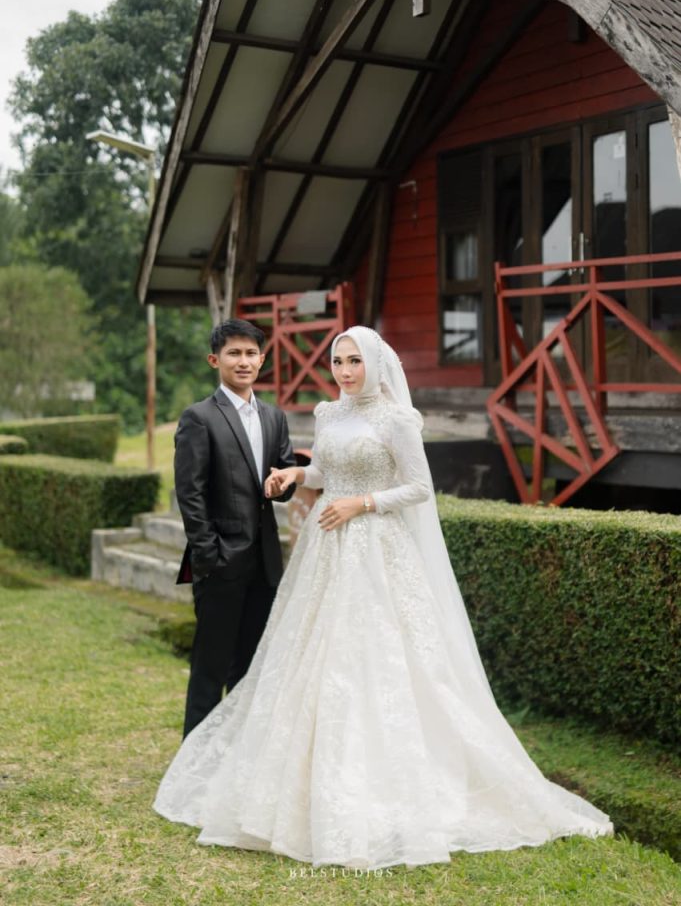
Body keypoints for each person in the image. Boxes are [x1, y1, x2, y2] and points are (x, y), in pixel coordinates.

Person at [155, 325, 612, 868]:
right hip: (326, 551)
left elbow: (418, 488)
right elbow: (326, 471)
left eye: (355, 361)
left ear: (376, 363)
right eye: (338, 361)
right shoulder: (329, 414)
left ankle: (387, 779)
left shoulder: (398, 419)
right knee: (309, 659)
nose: (346, 371)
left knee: (381, 660)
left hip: (377, 549)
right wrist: (299, 472)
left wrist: (363, 503)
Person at [173, 318, 296, 738]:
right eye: (234, 353)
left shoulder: (275, 417)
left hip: (265, 565)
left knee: (248, 671)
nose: (243, 361)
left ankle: (234, 758)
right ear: (215, 360)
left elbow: (284, 478)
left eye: (250, 353)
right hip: (219, 564)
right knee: (210, 671)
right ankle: (194, 763)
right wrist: (209, 555)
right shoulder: (199, 418)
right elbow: (190, 494)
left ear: (262, 360)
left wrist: (283, 484)